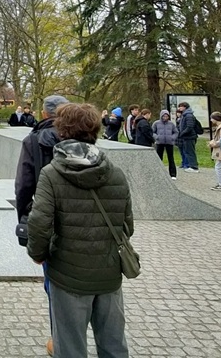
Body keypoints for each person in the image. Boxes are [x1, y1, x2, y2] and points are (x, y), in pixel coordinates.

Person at [27, 103, 133, 358]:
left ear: (61, 130)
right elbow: (127, 226)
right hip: (108, 274)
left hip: (68, 274)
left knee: (70, 346)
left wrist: (38, 253)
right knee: (114, 345)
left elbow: (40, 224)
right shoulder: (116, 174)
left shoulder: (52, 174)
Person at [14, 94, 69, 357]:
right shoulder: (83, 139)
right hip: (86, 220)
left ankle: (61, 342)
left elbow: (24, 187)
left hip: (49, 220)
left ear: (45, 114)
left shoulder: (33, 141)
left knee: (55, 284)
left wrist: (25, 223)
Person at [152, 110, 178, 179]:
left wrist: (172, 138)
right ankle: (158, 172)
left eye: (166, 116)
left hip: (169, 143)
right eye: (164, 116)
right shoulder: (156, 123)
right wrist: (157, 137)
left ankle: (173, 174)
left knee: (171, 158)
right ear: (161, 116)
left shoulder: (171, 124)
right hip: (159, 143)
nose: (165, 117)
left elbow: (176, 132)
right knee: (159, 158)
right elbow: (152, 132)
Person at [176, 102, 200, 172]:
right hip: (186, 136)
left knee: (190, 152)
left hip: (189, 136)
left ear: (184, 107)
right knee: (188, 151)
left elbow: (190, 127)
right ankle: (192, 165)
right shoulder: (185, 115)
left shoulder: (188, 115)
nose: (179, 108)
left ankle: (194, 167)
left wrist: (182, 133)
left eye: (180, 107)